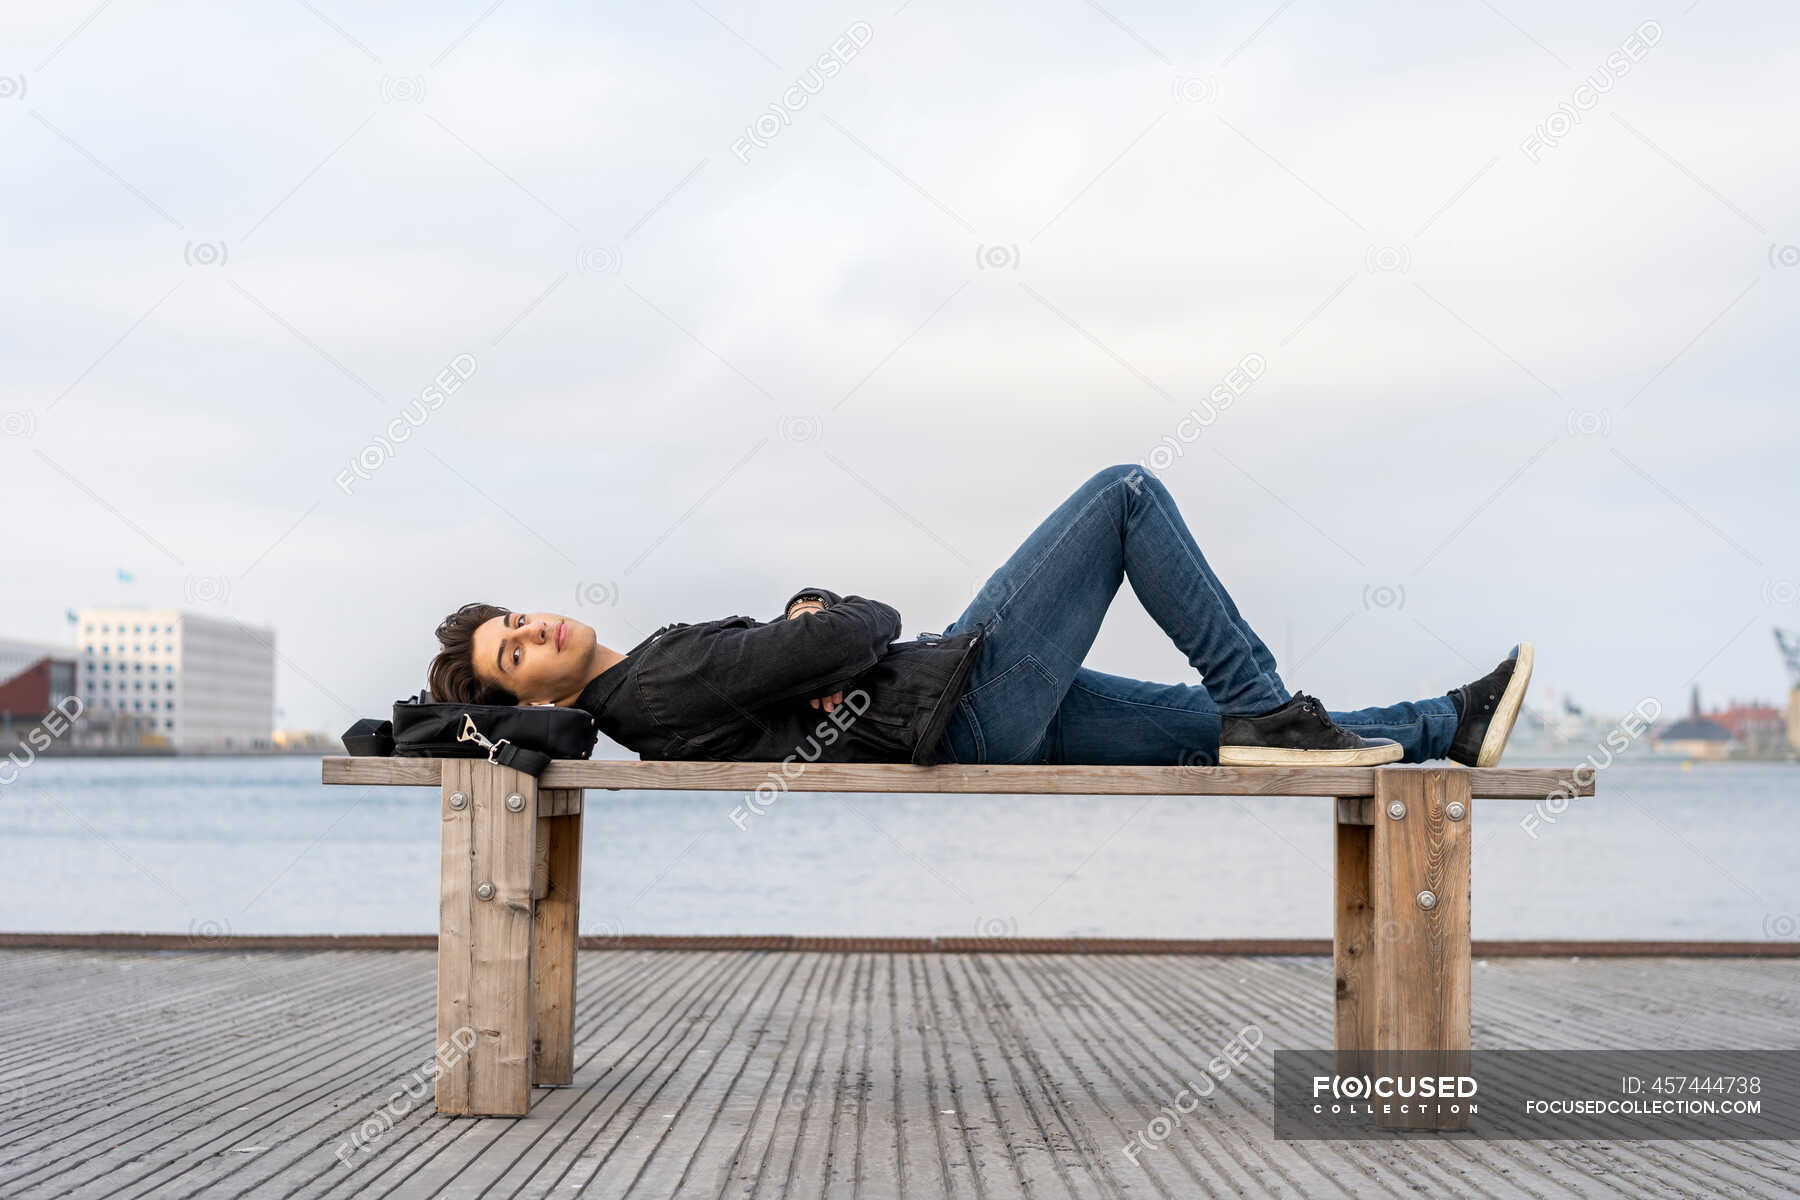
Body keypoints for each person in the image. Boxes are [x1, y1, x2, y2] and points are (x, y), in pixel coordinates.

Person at [425, 464, 1532, 769]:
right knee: (1126, 495)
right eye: (512, 655)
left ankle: (1445, 728)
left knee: (1203, 733)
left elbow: (809, 658)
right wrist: (826, 612)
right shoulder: (653, 682)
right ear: (529, 695)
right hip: (957, 702)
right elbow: (867, 627)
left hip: (951, 714)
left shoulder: (651, 688)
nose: (534, 634)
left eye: (519, 619)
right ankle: (1266, 706)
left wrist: (807, 626)